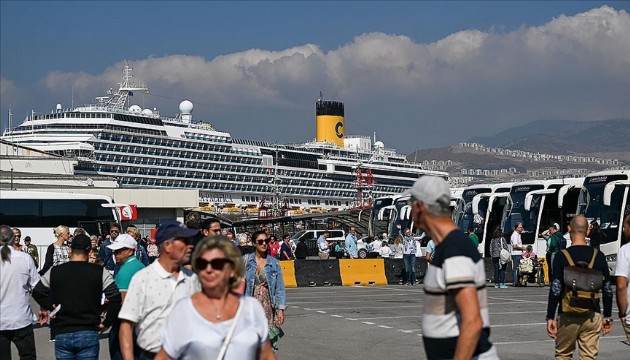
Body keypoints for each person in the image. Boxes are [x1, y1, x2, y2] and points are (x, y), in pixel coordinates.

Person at [407, 176, 497, 359]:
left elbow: (472, 321)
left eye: (411, 204)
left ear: (420, 207)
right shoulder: (448, 246)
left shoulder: (454, 250)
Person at [155, 237, 276, 360]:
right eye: (202, 264)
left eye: (216, 264)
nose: (208, 269)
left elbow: (266, 356)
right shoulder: (183, 309)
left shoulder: (251, 308)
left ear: (232, 269)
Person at [118, 220, 200, 359]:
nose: (190, 246)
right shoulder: (143, 279)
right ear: (167, 246)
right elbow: (126, 325)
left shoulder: (192, 279)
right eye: (185, 242)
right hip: (150, 355)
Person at [33, 234, 122, 359]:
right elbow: (115, 298)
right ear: (90, 251)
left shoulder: (55, 271)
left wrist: (51, 306)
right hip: (89, 330)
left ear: (70, 250)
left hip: (63, 330)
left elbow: (38, 291)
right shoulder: (99, 271)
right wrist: (107, 323)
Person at [546, 215, 613, 359]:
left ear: (569, 229)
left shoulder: (561, 256)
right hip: (592, 314)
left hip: (567, 314)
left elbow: (556, 288)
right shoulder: (598, 256)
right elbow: (607, 289)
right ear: (588, 231)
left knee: (563, 355)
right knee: (589, 357)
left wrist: (550, 316)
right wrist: (607, 315)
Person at [0, 225, 42, 360]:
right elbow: (37, 287)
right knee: (28, 356)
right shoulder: (24, 258)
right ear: (13, 239)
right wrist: (44, 307)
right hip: (21, 319)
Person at [244, 230, 287, 351]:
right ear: (254, 243)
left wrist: (281, 310)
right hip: (249, 307)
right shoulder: (246, 261)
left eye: (266, 241)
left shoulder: (273, 263)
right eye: (260, 241)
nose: (264, 244)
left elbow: (279, 288)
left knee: (266, 344)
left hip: (267, 307)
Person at [107, 234, 146, 360]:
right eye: (114, 251)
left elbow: (122, 301)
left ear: (130, 251)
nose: (115, 254)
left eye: (119, 251)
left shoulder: (125, 271)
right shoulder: (140, 266)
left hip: (125, 322)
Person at [614, 214, 630, 343]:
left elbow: (621, 286)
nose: (624, 230)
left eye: (624, 227)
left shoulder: (625, 250)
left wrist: (622, 313)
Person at [510, 222, 527, 287]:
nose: (522, 228)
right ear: (516, 228)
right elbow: (515, 246)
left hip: (519, 254)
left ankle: (517, 281)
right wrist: (522, 248)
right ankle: (515, 282)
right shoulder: (515, 235)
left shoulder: (518, 235)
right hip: (516, 254)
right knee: (516, 268)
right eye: (520, 227)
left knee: (519, 268)